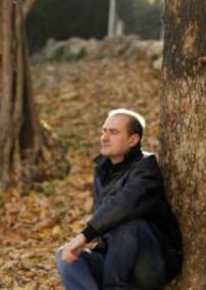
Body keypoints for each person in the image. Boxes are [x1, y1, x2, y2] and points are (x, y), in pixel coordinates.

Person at [56, 108, 183, 290]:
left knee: (124, 222)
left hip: (151, 263)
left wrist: (85, 235)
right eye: (104, 131)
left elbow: (124, 204)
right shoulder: (102, 170)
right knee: (65, 257)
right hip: (114, 261)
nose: (104, 137)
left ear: (133, 139)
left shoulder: (146, 168)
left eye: (113, 132)